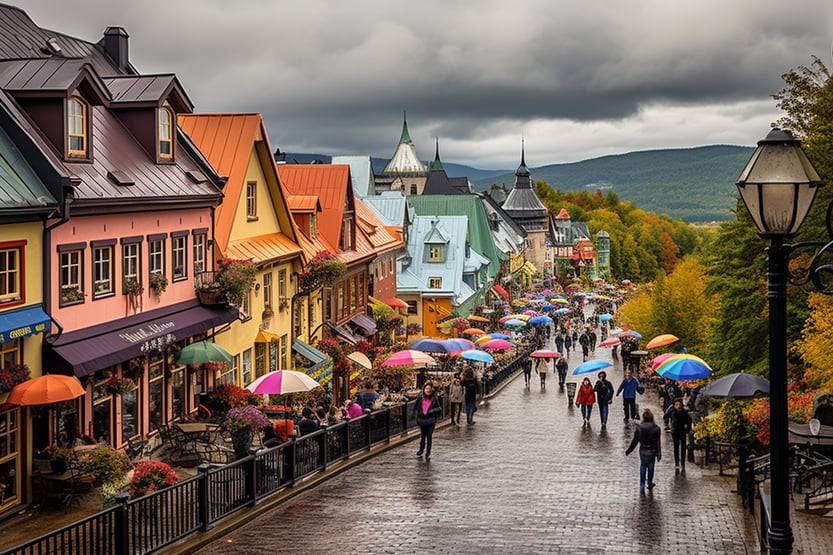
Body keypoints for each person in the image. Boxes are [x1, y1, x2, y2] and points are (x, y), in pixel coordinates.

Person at [625, 409, 662, 492]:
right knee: (651, 467)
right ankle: (649, 482)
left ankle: (642, 484)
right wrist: (659, 453)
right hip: (652, 450)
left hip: (643, 450)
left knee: (643, 466)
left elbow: (635, 441)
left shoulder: (639, 428)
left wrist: (629, 450)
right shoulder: (656, 428)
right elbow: (658, 442)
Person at [412, 381, 442, 460]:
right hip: (422, 420)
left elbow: (439, 408)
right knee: (423, 436)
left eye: (429, 388)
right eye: (426, 388)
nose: (428, 390)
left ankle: (428, 451)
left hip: (431, 420)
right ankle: (421, 449)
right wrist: (415, 415)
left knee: (429, 436)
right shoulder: (420, 397)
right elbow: (415, 407)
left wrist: (432, 412)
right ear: (424, 389)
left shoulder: (434, 398)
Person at [669, 399, 692, 470]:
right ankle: (676, 463)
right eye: (676, 405)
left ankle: (682, 462)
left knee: (683, 448)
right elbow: (668, 417)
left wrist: (687, 429)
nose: (677, 406)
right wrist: (671, 427)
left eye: (678, 404)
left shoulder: (684, 412)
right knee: (676, 448)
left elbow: (689, 420)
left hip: (682, 431)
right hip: (675, 432)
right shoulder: (672, 411)